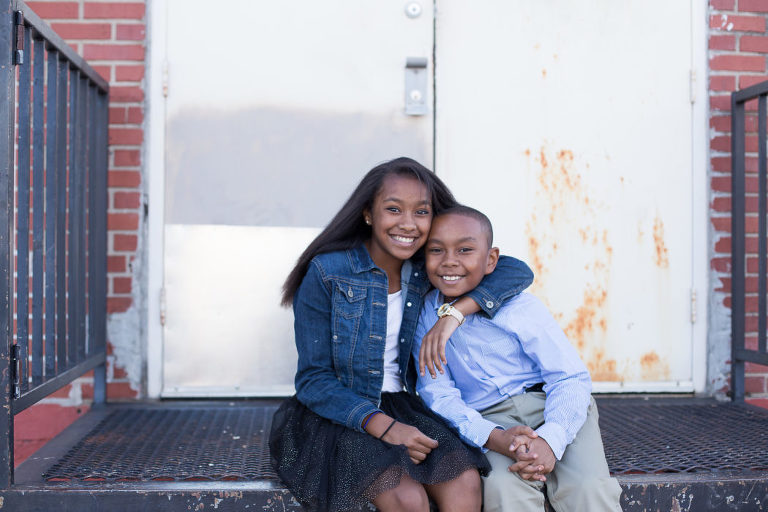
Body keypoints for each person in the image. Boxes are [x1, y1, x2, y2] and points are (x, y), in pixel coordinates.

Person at [269, 158, 535, 512]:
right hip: (342, 411)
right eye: (394, 209)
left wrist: (454, 313)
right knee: (407, 498)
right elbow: (314, 380)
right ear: (368, 213)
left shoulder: (429, 265)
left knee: (464, 481)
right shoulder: (329, 272)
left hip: (406, 403)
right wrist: (386, 427)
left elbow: (515, 271)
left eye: (421, 212)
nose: (408, 225)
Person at [414, 205, 623, 512]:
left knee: (589, 490)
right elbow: (439, 394)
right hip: (489, 419)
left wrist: (550, 441)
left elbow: (568, 377)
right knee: (503, 490)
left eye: (465, 250)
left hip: (552, 405)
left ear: (491, 260)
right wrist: (492, 437)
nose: (449, 261)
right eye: (436, 250)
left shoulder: (519, 306)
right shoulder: (425, 318)